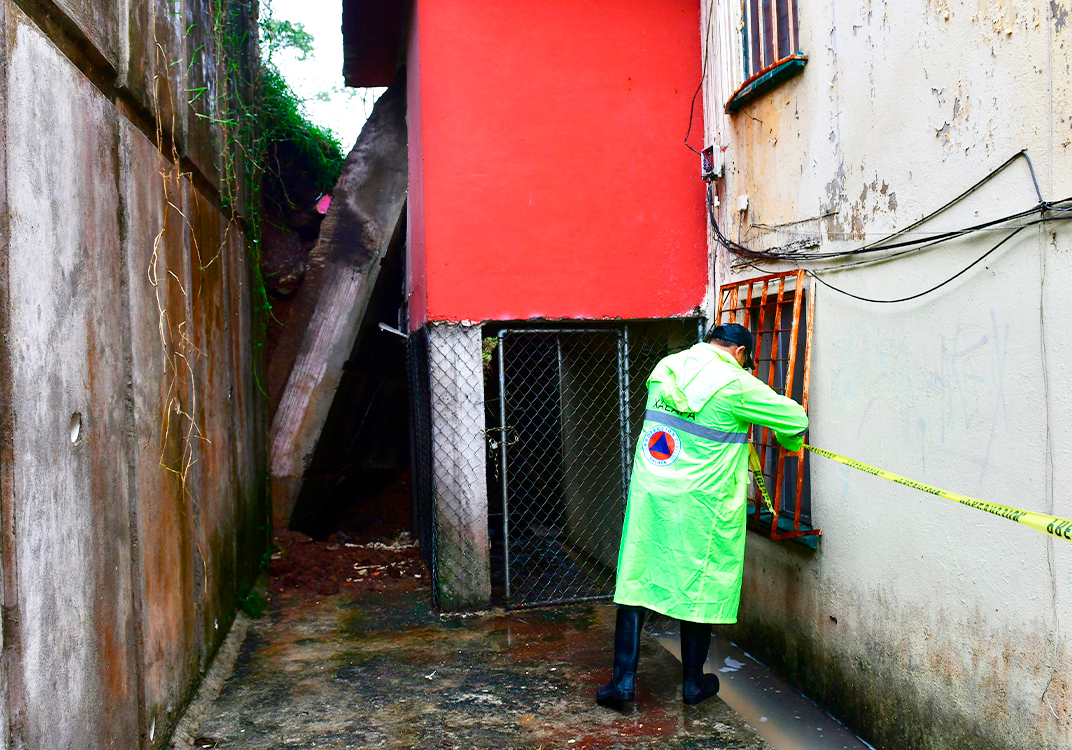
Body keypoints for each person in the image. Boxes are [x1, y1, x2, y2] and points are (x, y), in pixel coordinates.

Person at [597, 323, 809, 706]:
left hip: (654, 493)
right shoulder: (736, 383)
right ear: (741, 353)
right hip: (701, 505)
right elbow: (794, 419)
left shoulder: (667, 367)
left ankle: (622, 683)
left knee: (637, 580)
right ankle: (693, 684)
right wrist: (789, 442)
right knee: (699, 585)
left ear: (711, 342)